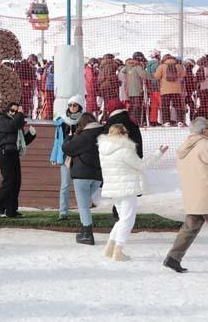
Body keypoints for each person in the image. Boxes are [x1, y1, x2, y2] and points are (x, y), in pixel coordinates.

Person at [98, 124, 167, 261]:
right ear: (121, 134)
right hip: (126, 188)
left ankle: (109, 248)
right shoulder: (124, 150)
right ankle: (118, 251)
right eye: (125, 132)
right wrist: (158, 154)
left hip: (114, 189)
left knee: (122, 218)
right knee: (128, 219)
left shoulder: (103, 149)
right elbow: (142, 165)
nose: (127, 134)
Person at [162, 117, 208, 273]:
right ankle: (173, 258)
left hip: (193, 196)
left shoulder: (184, 147)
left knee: (190, 228)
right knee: (190, 228)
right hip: (206, 195)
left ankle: (173, 258)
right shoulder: (205, 145)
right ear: (204, 130)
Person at [61, 113, 104, 245]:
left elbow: (67, 148)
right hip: (97, 176)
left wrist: (68, 138)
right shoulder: (103, 133)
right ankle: (84, 229)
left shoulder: (84, 136)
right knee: (85, 203)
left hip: (82, 175)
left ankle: (87, 235)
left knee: (83, 205)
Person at [0, 103, 37, 218]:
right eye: (12, 110)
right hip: (3, 152)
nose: (14, 113)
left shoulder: (16, 125)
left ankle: (11, 210)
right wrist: (20, 114)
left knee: (16, 182)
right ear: (7, 110)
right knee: (9, 180)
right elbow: (11, 127)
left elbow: (21, 142)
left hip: (13, 153)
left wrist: (31, 135)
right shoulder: (1, 119)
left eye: (17, 112)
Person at [49, 95, 83, 220]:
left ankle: (83, 211)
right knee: (65, 185)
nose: (72, 107)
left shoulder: (83, 120)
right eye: (70, 105)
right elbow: (57, 141)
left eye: (74, 105)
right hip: (66, 156)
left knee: (80, 185)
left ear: (79, 106)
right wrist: (54, 156)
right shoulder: (62, 121)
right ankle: (63, 212)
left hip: (80, 157)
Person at [155, 54, 186, 126]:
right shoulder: (178, 65)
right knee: (178, 106)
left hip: (165, 90)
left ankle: (166, 122)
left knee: (165, 106)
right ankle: (180, 121)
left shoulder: (161, 66)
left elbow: (156, 76)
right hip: (177, 90)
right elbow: (183, 74)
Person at [145, 50, 162, 125]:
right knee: (160, 103)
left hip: (150, 86)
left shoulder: (148, 64)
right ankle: (163, 120)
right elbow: (158, 75)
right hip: (156, 85)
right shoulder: (156, 63)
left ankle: (153, 120)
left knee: (153, 104)